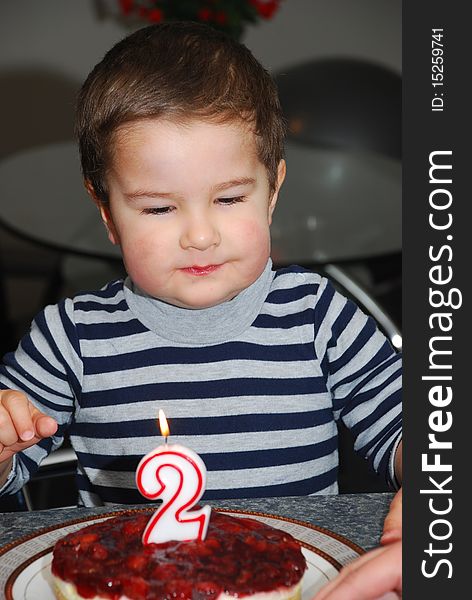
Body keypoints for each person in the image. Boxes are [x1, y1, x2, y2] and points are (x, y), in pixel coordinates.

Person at [0, 22, 401, 530]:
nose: (200, 235)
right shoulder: (71, 338)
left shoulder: (319, 315)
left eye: (229, 199)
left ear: (272, 192)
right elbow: (11, 469)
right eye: (160, 208)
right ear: (106, 212)